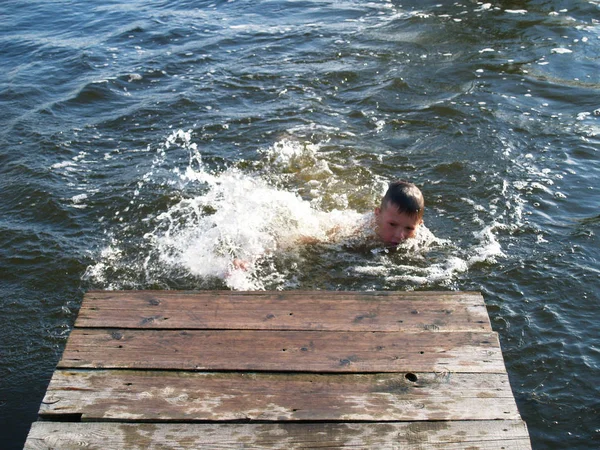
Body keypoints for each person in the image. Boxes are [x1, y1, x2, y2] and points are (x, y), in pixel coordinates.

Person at [372, 179, 424, 247]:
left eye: (409, 228)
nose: (399, 236)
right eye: (392, 224)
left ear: (419, 224)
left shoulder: (421, 240)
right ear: (378, 214)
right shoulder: (360, 232)